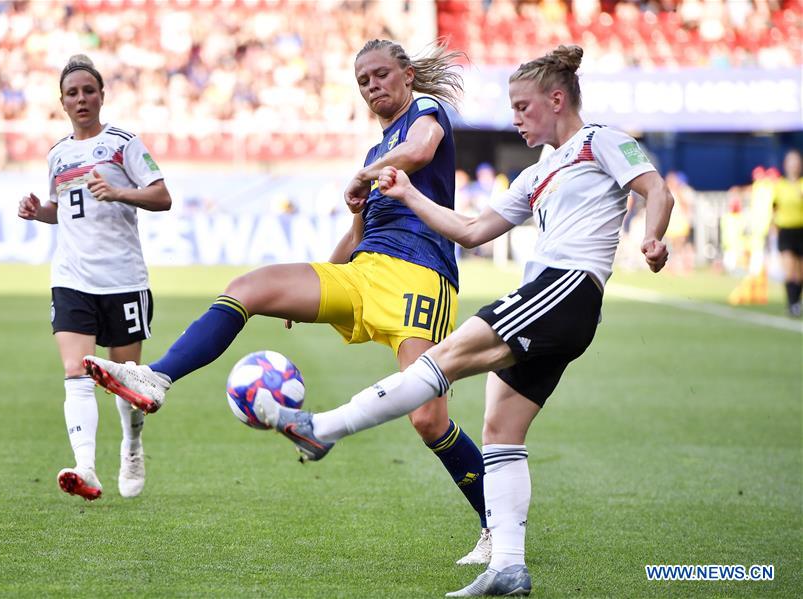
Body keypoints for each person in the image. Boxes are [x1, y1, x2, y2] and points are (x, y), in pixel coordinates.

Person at [255, 45, 674, 596]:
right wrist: (406, 192)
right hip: (556, 300)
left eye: (523, 107)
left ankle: (323, 428)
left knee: (439, 361)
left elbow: (655, 188)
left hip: (564, 287)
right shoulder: (537, 174)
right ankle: (507, 567)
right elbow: (473, 231)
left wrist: (652, 235)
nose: (516, 119)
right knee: (500, 430)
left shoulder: (598, 140)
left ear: (556, 98)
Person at [85, 39, 493, 564]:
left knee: (428, 421)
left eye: (379, 75)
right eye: (362, 81)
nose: (372, 87)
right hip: (365, 272)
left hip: (420, 277)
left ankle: (494, 525)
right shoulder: (374, 154)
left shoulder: (425, 114)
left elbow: (419, 151)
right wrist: (313, 287)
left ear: (407, 75)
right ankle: (156, 377)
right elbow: (357, 235)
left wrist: (364, 177)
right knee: (249, 288)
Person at [17, 55, 172, 500]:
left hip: (123, 279)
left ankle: (132, 445)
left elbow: (163, 196)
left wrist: (120, 190)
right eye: (72, 93)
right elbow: (62, 211)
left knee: (125, 378)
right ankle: (85, 466)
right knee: (76, 370)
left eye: (88, 91)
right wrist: (37, 211)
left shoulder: (124, 143)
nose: (81, 98)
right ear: (62, 102)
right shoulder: (58, 154)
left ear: (102, 96)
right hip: (72, 278)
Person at [772, 149, 803, 317]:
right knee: (790, 269)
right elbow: (774, 208)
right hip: (786, 231)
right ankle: (791, 303)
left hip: (801, 230)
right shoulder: (780, 186)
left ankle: (796, 301)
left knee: (800, 272)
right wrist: (773, 226)